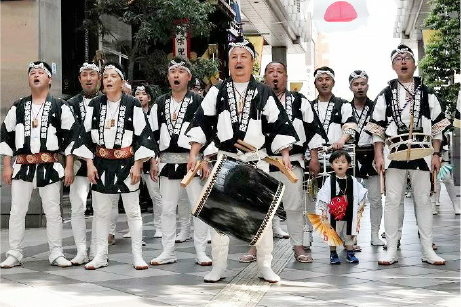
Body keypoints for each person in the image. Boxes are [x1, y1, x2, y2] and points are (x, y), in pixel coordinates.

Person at [186, 37, 298, 283]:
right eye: (234, 57)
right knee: (219, 215)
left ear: (252, 62)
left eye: (243, 57)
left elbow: (279, 124)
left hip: (255, 160)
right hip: (225, 161)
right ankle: (218, 266)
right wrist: (194, 154)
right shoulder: (217, 90)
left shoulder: (263, 91)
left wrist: (286, 155)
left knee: (263, 216)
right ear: (228, 63)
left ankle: (265, 265)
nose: (238, 61)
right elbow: (202, 121)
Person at [366, 44, 450, 265]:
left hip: (423, 152)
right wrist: (378, 155)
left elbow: (438, 126)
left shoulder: (427, 92)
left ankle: (427, 249)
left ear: (414, 64)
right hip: (394, 153)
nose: (403, 62)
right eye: (398, 59)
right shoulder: (385, 94)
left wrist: (436, 153)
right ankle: (391, 248)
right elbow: (378, 128)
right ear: (393, 66)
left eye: (407, 58)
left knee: (423, 200)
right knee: (392, 201)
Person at [72, 62, 158, 270]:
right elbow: (84, 137)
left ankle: (137, 256)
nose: (108, 80)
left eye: (113, 76)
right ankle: (100, 255)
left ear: (122, 82)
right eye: (106, 77)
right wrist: (90, 163)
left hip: (127, 163)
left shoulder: (132, 104)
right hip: (101, 163)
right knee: (101, 212)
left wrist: (138, 164)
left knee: (133, 211)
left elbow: (143, 135)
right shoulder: (95, 105)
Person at [240, 61, 324, 264]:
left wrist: (314, 158)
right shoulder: (255, 100)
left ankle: (298, 246)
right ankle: (254, 247)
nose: (275, 75)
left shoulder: (298, 100)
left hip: (292, 162)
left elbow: (312, 128)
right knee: (260, 207)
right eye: (271, 72)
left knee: (294, 207)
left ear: (286, 77)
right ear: (264, 77)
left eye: (280, 72)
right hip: (262, 161)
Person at [0, 61, 77, 268]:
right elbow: (6, 135)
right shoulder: (18, 106)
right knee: (17, 211)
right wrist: (7, 165)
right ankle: (14, 253)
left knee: (53, 211)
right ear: (28, 79)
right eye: (32, 73)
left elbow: (71, 137)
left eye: (41, 72)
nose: (36, 75)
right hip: (22, 165)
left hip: (50, 165)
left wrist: (69, 166)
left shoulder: (60, 106)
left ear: (49, 79)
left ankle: (56, 253)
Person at [149, 58, 212, 266]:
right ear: (168, 77)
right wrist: (152, 159)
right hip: (167, 162)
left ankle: (201, 250)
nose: (176, 75)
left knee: (198, 207)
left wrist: (204, 159)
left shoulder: (198, 101)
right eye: (172, 71)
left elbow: (207, 131)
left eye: (181, 71)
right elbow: (151, 134)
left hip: (192, 162)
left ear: (189, 77)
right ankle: (168, 251)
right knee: (167, 209)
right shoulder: (159, 103)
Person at [67, 62, 102, 265]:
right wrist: (69, 164)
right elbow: (67, 137)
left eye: (92, 75)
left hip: (102, 161)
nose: (89, 79)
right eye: (85, 75)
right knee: (77, 206)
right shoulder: (69, 105)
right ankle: (81, 250)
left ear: (98, 78)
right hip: (79, 163)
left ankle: (97, 250)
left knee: (100, 208)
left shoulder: (108, 101)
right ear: (79, 79)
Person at [348, 70, 385, 246]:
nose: (360, 87)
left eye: (362, 84)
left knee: (376, 198)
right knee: (350, 198)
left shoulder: (377, 106)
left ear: (367, 86)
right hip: (351, 155)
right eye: (356, 84)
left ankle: (375, 234)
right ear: (350, 87)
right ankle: (351, 237)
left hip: (372, 154)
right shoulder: (345, 108)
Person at [316, 150, 367, 264]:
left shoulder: (353, 180)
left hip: (349, 212)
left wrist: (360, 206)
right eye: (336, 162)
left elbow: (361, 192)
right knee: (333, 233)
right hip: (333, 213)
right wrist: (323, 210)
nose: (340, 164)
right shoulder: (330, 180)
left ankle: (350, 253)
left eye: (343, 162)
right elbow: (323, 195)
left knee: (349, 233)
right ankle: (333, 254)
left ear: (349, 165)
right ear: (332, 164)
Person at [430, 129, 461, 215]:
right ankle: (432, 204)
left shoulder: (442, 132)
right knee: (431, 179)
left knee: (447, 178)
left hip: (442, 154)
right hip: (428, 154)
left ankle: (455, 204)